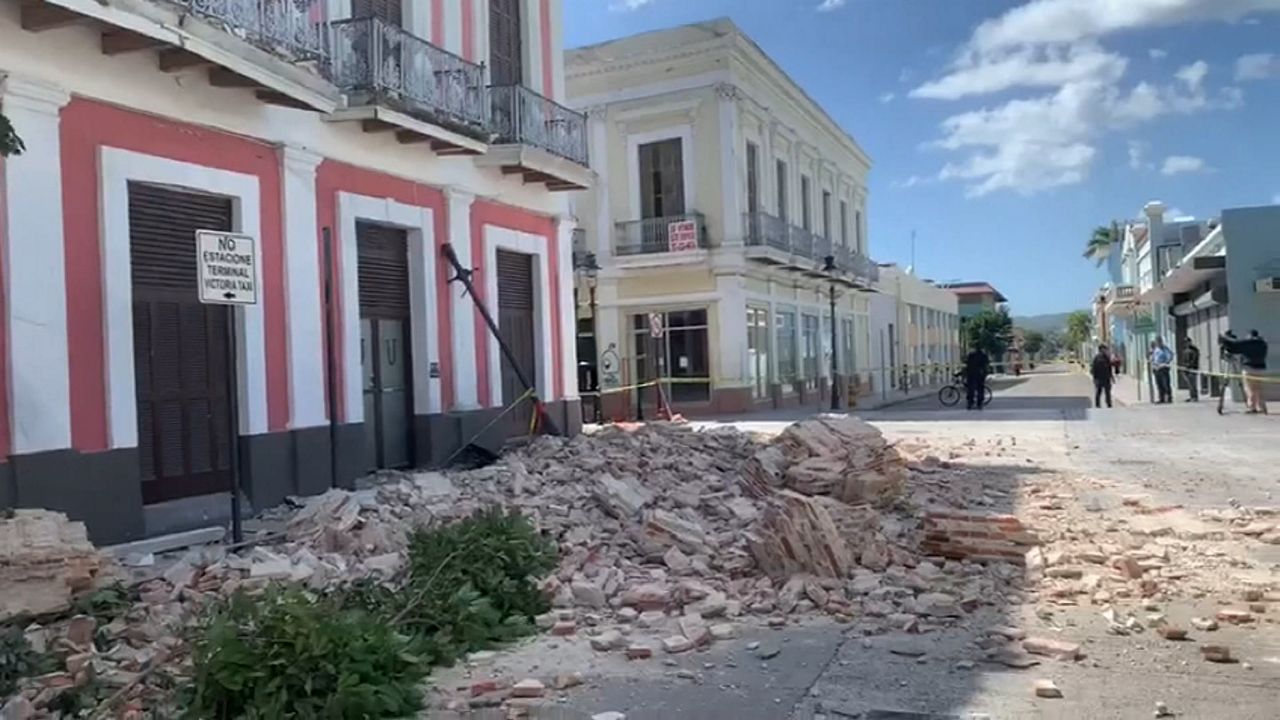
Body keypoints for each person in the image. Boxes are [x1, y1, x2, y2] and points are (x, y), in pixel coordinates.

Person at [1221, 329, 1269, 414]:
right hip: (1261, 368)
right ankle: (1262, 407)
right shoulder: (1263, 343)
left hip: (1249, 368)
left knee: (1250, 389)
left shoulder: (1248, 343)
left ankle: (1252, 407)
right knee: (1260, 389)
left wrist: (1225, 337)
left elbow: (1234, 345)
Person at [963, 346, 990, 410]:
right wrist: (985, 374)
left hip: (971, 374)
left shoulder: (971, 355)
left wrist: (966, 373)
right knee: (980, 389)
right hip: (980, 375)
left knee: (971, 389)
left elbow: (967, 364)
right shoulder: (984, 356)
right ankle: (979, 404)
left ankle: (970, 403)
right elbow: (986, 365)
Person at [1151, 337, 1174, 404]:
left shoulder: (1165, 349)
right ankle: (1161, 398)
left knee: (1166, 384)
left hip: (1163, 368)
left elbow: (1171, 355)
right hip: (1156, 369)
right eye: (1157, 341)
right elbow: (1153, 358)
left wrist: (1166, 362)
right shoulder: (1155, 349)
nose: (1158, 343)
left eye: (1159, 341)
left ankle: (1169, 398)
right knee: (1159, 384)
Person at [1091, 344, 1114, 408]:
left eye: (1105, 349)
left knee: (1108, 392)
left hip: (1106, 378)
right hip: (1099, 378)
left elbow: (1109, 368)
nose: (1105, 350)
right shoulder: (1096, 358)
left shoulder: (1107, 357)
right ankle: (1097, 405)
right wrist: (1094, 379)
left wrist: (1111, 377)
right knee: (1098, 392)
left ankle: (1109, 404)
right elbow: (1093, 369)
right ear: (1100, 350)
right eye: (1104, 349)